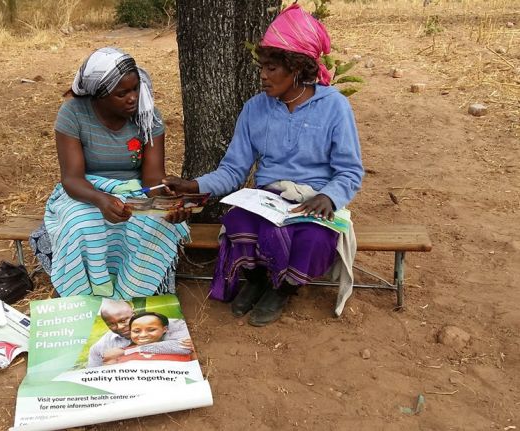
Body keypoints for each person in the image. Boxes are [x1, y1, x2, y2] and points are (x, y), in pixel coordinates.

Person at [164, 5, 364, 326]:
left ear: (297, 68)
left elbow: (350, 171)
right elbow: (233, 171)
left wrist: (328, 198)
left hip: (312, 200)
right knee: (239, 222)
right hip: (268, 200)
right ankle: (257, 280)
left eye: (272, 68)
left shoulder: (334, 107)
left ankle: (283, 288)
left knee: (311, 237)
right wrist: (194, 185)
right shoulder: (255, 109)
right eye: (262, 67)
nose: (263, 75)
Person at [29, 47, 190, 299]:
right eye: (121, 93)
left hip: (135, 190)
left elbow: (152, 179)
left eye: (135, 88)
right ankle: (86, 298)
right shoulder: (73, 114)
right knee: (80, 225)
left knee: (156, 224)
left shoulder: (148, 115)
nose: (133, 98)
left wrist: (167, 206)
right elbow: (72, 178)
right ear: (98, 96)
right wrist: (102, 200)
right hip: (86, 192)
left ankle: (131, 296)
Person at [87, 299, 192, 368]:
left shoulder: (174, 325)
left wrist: (127, 352)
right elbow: (92, 374)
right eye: (111, 324)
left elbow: (185, 347)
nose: (119, 327)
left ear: (134, 314)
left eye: (123, 320)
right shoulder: (99, 347)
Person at [108, 312, 192, 364]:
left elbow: (183, 347)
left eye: (151, 330)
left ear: (165, 329)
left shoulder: (179, 328)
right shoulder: (115, 352)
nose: (143, 335)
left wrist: (128, 351)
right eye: (136, 331)